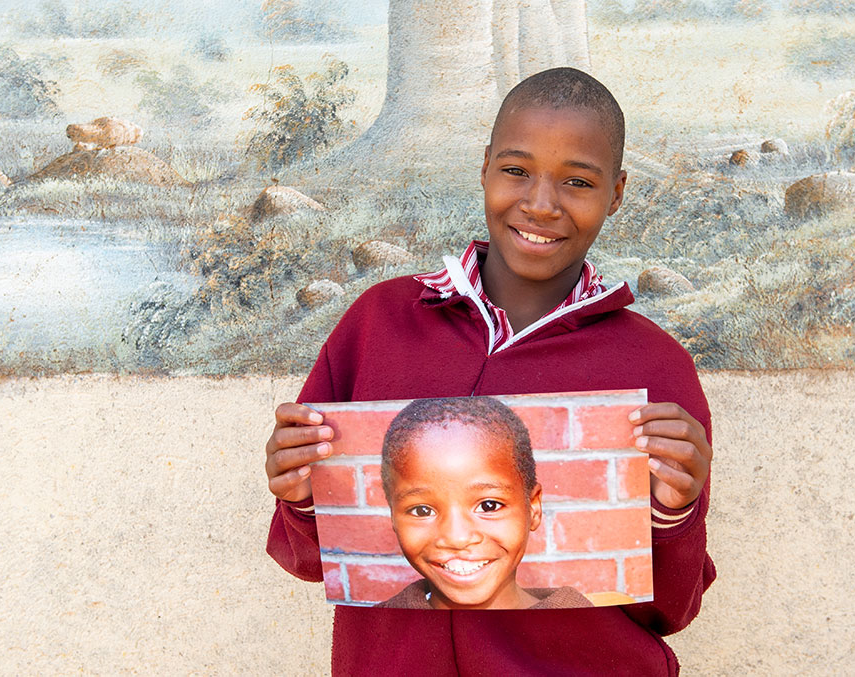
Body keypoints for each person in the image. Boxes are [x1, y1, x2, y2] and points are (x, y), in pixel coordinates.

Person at [266, 67, 714, 675]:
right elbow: (314, 559)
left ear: (616, 193)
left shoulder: (653, 365)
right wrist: (301, 496)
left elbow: (672, 610)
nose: (540, 203)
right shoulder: (379, 324)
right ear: (484, 168)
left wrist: (674, 514)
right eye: (515, 170)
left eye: (577, 181)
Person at [375, 396, 593, 611]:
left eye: (489, 506)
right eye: (422, 510)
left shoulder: (590, 628)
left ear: (533, 508)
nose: (457, 538)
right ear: (393, 516)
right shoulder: (367, 632)